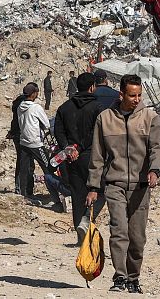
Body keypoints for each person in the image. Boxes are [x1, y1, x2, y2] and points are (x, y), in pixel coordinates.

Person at [87, 75, 160, 294]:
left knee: (137, 237)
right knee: (119, 231)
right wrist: (93, 187)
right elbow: (97, 155)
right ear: (121, 94)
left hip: (140, 186)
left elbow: (157, 148)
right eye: (132, 95)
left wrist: (154, 170)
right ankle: (120, 276)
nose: (136, 99)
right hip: (115, 184)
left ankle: (133, 278)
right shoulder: (105, 118)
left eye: (139, 95)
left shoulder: (150, 117)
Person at [53, 72, 105, 243]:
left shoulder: (64, 107)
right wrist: (80, 147)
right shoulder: (97, 108)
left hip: (71, 159)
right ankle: (86, 220)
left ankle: (80, 235)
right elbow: (96, 132)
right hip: (92, 156)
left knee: (77, 194)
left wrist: (68, 148)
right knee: (100, 191)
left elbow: (58, 131)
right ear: (92, 87)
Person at [17, 84, 64, 211]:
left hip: (24, 142)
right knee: (48, 168)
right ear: (33, 94)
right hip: (36, 143)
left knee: (25, 168)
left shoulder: (20, 106)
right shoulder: (36, 107)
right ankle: (56, 198)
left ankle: (24, 193)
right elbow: (47, 124)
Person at [8, 87, 33, 195]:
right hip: (25, 135)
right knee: (28, 162)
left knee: (21, 160)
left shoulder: (17, 103)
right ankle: (26, 189)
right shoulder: (26, 105)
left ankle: (20, 187)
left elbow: (15, 120)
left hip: (17, 134)